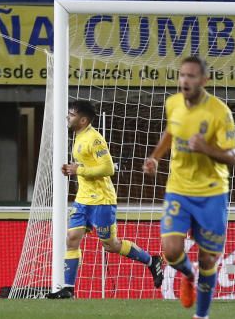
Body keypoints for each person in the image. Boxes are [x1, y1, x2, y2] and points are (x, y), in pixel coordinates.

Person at [143, 56, 235, 319]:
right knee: (172, 250)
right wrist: (155, 157)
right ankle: (187, 273)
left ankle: (202, 315)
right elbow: (171, 132)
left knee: (208, 259)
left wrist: (205, 148)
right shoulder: (172, 103)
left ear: (204, 80)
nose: (185, 80)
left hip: (211, 193)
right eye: (182, 75)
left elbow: (233, 156)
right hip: (179, 188)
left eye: (192, 76)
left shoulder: (219, 112)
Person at [46, 100, 163, 299]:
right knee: (72, 239)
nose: (68, 117)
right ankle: (68, 289)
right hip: (83, 200)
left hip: (102, 200)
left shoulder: (95, 139)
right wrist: (73, 169)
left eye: (71, 114)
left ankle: (152, 261)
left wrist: (78, 169)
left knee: (111, 245)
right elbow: (88, 165)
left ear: (82, 120)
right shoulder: (79, 136)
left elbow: (108, 169)